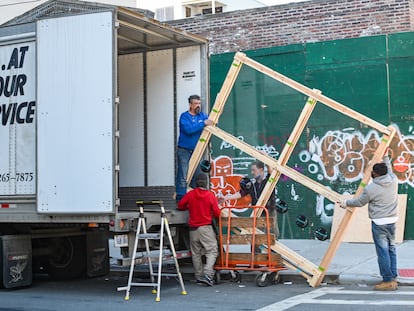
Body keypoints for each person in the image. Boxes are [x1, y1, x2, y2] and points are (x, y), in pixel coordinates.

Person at [338, 152, 398, 291]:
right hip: (392, 221)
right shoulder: (393, 180)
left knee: (382, 252)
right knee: (391, 249)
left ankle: (388, 280)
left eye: (373, 172)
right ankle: (393, 277)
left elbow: (358, 202)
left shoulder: (371, 188)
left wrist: (345, 202)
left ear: (376, 174)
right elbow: (389, 170)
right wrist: (386, 157)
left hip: (379, 222)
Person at [177, 173, 221, 286]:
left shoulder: (191, 194)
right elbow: (217, 213)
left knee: (196, 253)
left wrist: (189, 206)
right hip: (205, 228)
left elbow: (181, 205)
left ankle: (199, 276)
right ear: (206, 183)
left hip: (193, 229)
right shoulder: (210, 195)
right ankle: (207, 274)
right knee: (212, 250)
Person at [219, 160, 279, 238]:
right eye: (251, 170)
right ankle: (256, 249)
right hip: (258, 212)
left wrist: (265, 159)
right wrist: (226, 198)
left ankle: (274, 249)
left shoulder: (269, 181)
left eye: (254, 170)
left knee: (272, 231)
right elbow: (241, 193)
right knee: (256, 233)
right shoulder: (252, 184)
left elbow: (272, 173)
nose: (252, 172)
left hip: (270, 210)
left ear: (261, 170)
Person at [176, 95, 213, 202]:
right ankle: (181, 200)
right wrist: (203, 124)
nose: (198, 106)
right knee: (183, 175)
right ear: (190, 105)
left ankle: (195, 201)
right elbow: (188, 130)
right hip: (184, 150)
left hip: (197, 150)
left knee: (197, 176)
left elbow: (210, 123)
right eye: (196, 104)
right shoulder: (184, 116)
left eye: (199, 103)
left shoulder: (202, 115)